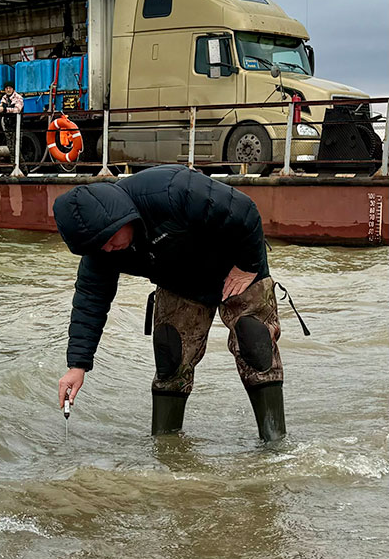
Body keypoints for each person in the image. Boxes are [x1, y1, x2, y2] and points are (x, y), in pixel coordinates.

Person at [54, 164, 287, 442]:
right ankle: (165, 450)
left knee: (254, 342)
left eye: (108, 240)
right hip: (181, 281)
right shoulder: (101, 248)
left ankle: (275, 445)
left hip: (237, 266)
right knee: (170, 356)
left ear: (119, 218)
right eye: (97, 247)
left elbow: (244, 210)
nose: (107, 249)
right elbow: (90, 301)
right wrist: (77, 365)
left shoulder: (172, 189)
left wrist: (248, 265)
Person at [0, 80, 23, 166]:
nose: (8, 90)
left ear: (13, 89)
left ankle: (23, 169)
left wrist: (5, 110)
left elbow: (17, 110)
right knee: (11, 149)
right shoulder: (4, 98)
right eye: (6, 88)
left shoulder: (18, 98)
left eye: (10, 88)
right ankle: (15, 168)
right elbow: (1, 105)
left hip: (17, 126)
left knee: (17, 149)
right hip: (7, 126)